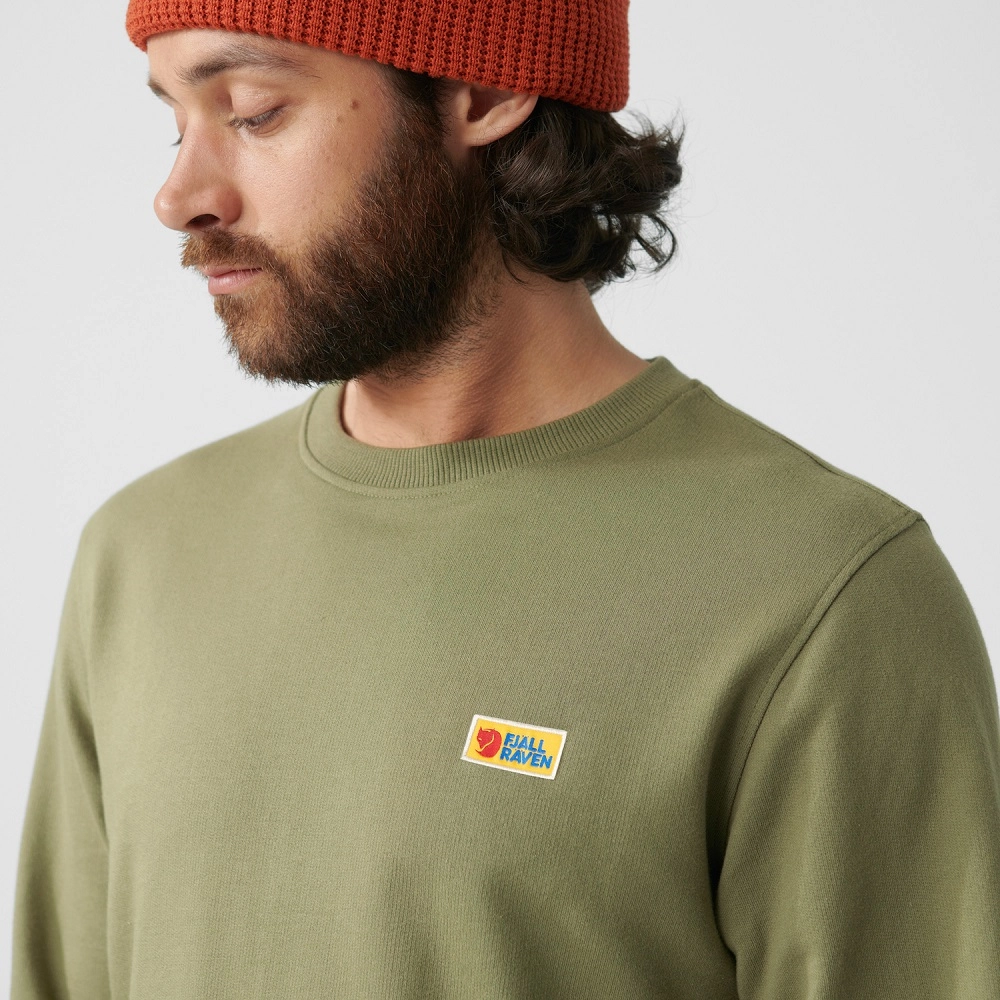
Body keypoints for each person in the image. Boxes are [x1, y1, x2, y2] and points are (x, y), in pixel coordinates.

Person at [11, 0, 999, 997]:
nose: (178, 196)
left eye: (253, 111)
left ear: (483, 88)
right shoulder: (141, 556)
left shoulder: (821, 595)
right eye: (174, 122)